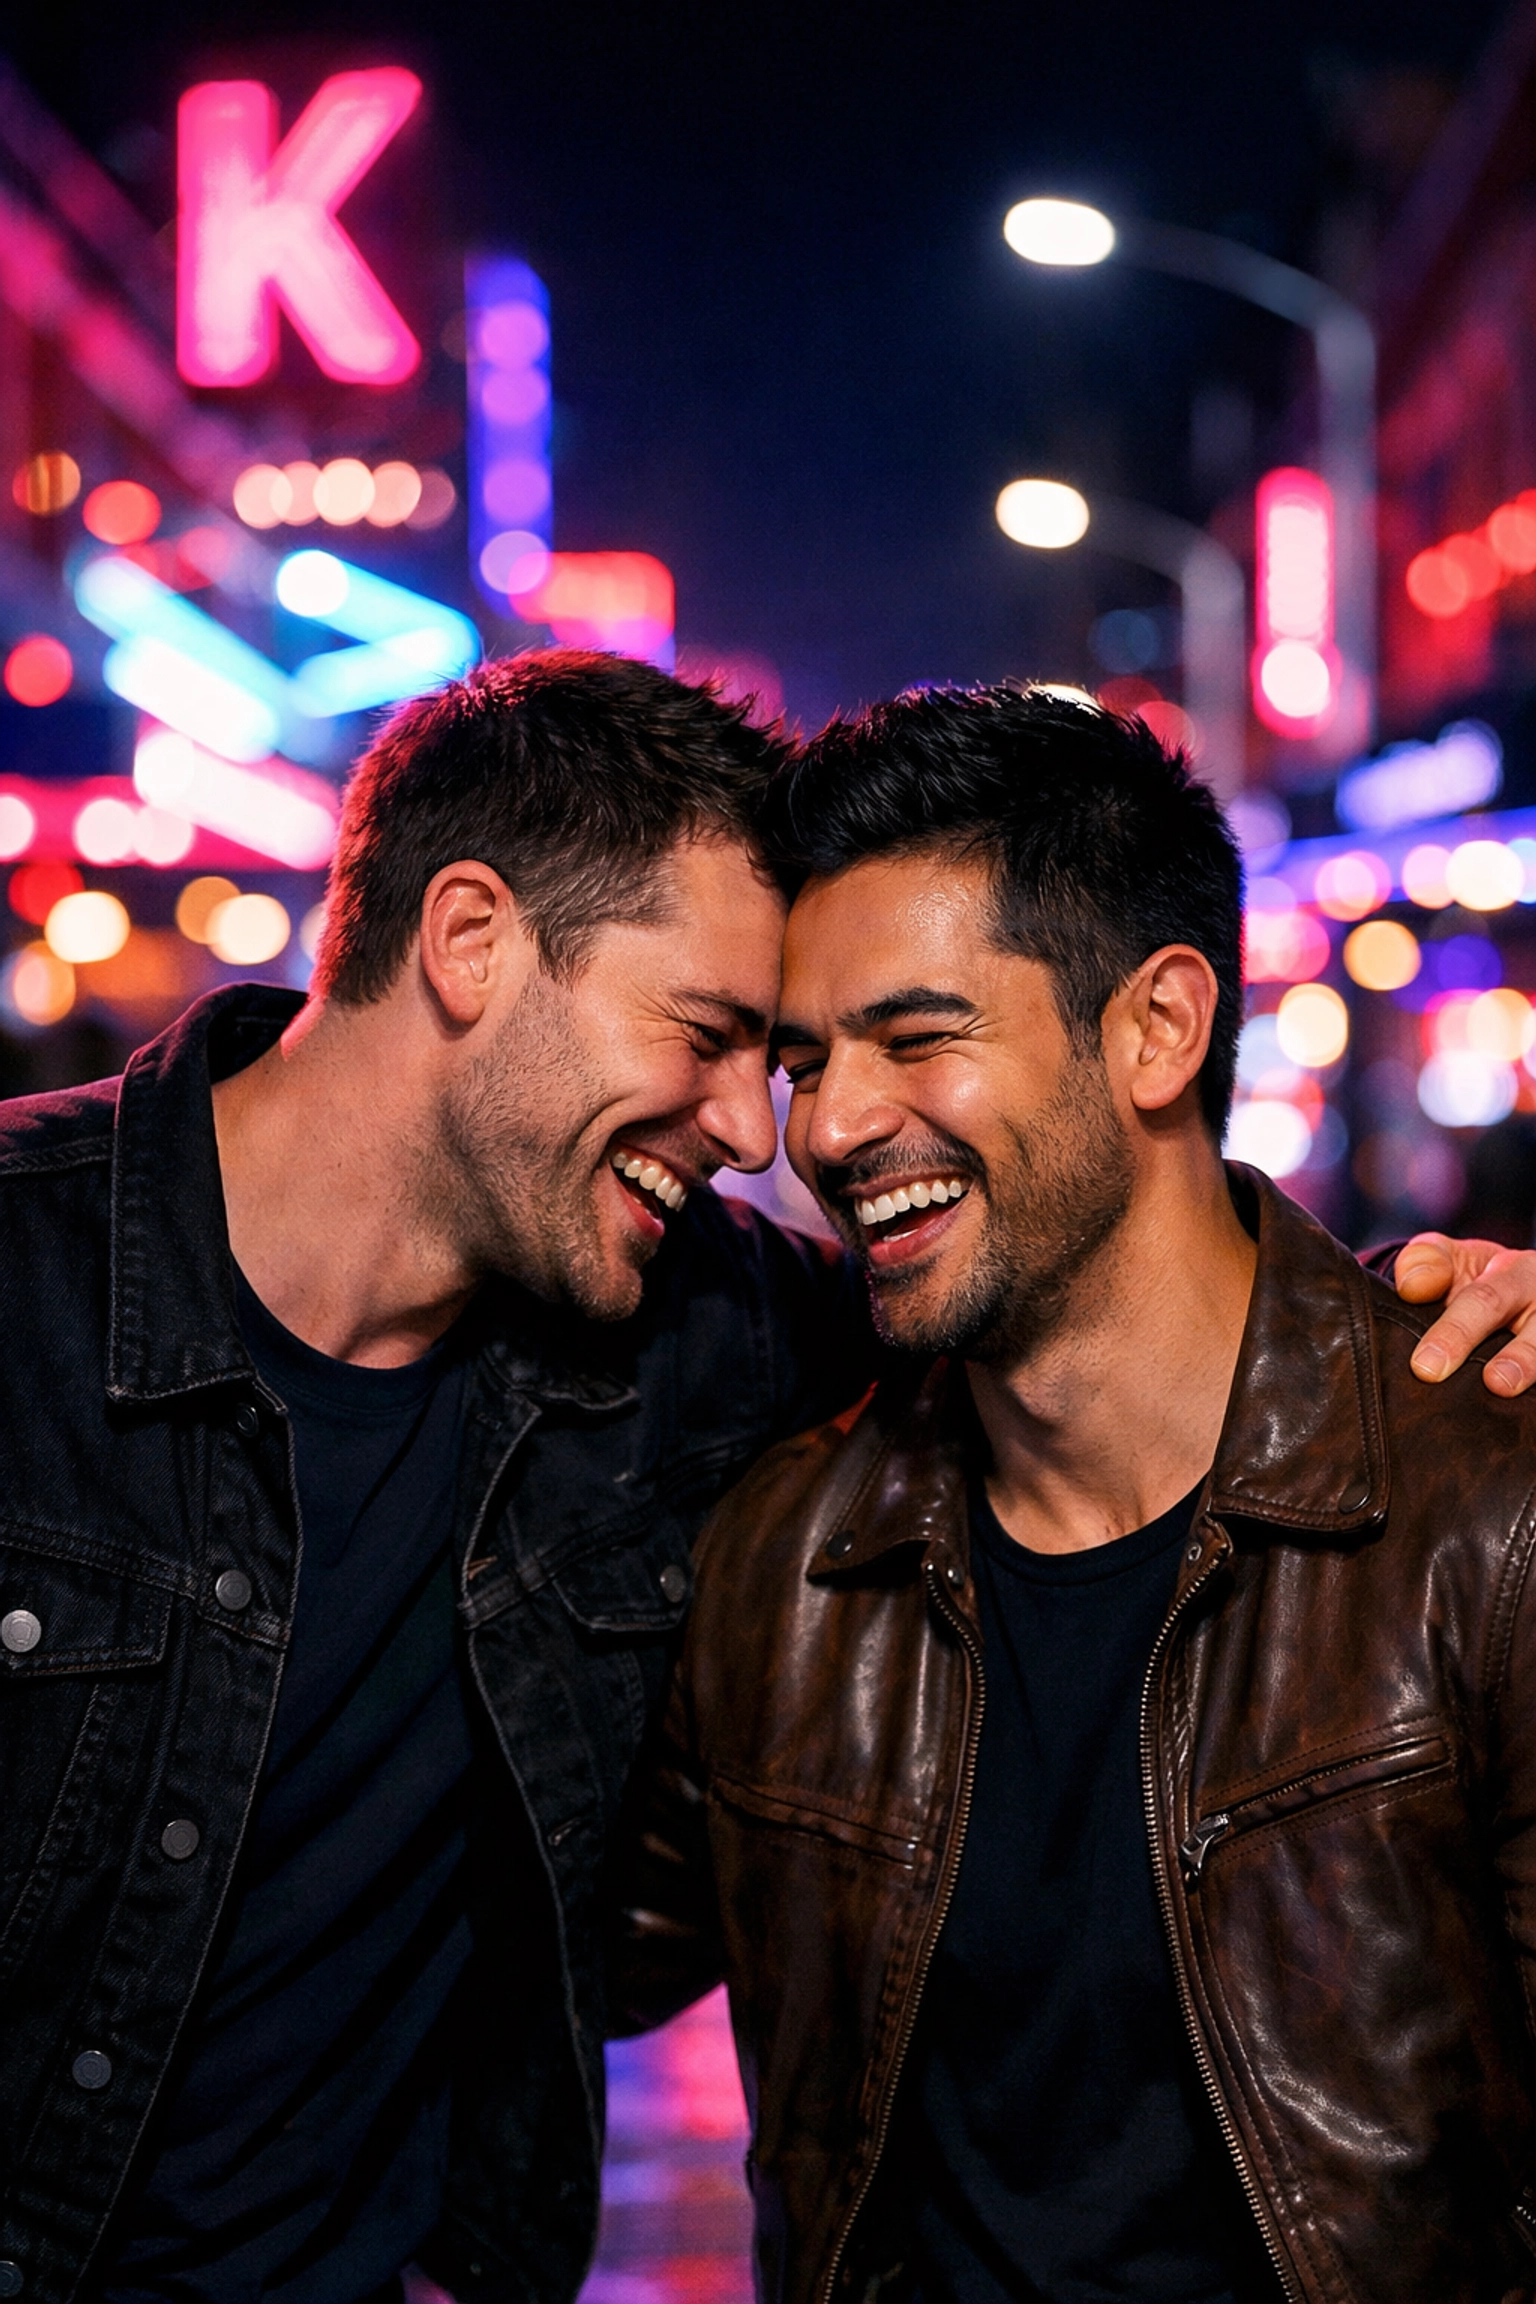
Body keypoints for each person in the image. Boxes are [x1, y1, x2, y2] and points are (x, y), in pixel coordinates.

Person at [613, 684, 1536, 2304]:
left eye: (918, 1037)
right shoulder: (787, 1568)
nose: (825, 1128)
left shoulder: (1488, 1506)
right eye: (808, 1057)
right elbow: (480, 1953)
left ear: (1158, 1029)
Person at [0, 651, 873, 2304]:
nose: (754, 1131)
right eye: (706, 1033)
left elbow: (1082, 1321)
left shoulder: (691, 1335)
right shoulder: (22, 1281)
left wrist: (1440, 1308)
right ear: (471, 940)